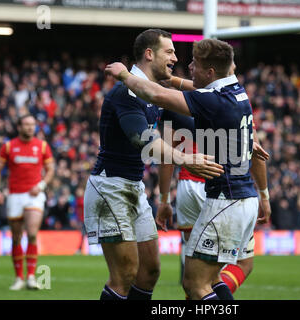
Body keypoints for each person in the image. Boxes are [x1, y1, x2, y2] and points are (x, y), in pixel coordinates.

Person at [104, 38, 270, 300]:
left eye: (195, 64)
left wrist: (123, 74)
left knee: (195, 284)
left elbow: (156, 95)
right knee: (212, 279)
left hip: (225, 200)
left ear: (210, 73)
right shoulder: (236, 91)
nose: (188, 66)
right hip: (241, 197)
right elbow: (192, 89)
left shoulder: (211, 101)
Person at [84, 29, 223, 301]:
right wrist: (184, 159)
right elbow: (143, 139)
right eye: (169, 52)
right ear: (149, 54)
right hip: (110, 187)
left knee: (149, 272)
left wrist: (239, 137)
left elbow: (198, 124)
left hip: (133, 189)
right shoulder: (127, 91)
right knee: (124, 275)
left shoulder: (155, 93)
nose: (175, 58)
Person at [156, 64, 271, 297]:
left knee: (198, 275)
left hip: (188, 186)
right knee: (238, 266)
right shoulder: (236, 103)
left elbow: (166, 158)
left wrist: (164, 198)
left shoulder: (177, 106)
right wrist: (264, 194)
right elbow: (257, 156)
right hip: (223, 189)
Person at [0, 114, 55, 290]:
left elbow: (50, 169)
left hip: (34, 195)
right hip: (14, 195)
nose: (30, 127)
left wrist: (41, 185)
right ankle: (19, 277)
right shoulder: (9, 146)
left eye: (32, 124)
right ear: (19, 126)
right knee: (16, 237)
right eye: (26, 124)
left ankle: (32, 276)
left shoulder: (42, 146)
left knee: (32, 233)